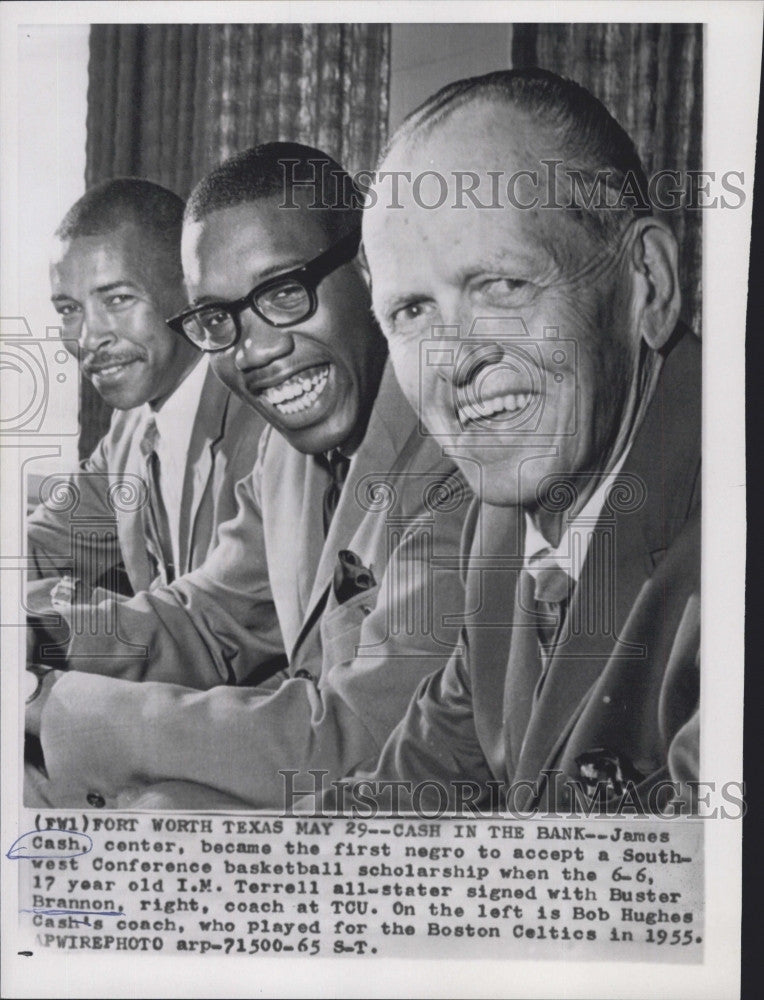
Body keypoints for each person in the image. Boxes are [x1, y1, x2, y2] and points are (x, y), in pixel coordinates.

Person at [25, 144, 471, 810]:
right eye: (218, 319)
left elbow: (359, 737)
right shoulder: (287, 452)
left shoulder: (461, 456)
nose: (254, 350)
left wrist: (54, 706)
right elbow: (208, 623)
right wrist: (36, 630)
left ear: (373, 270)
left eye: (285, 292)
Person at [325, 68, 700, 815]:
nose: (455, 359)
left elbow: (700, 910)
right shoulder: (501, 533)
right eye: (410, 311)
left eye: (502, 286)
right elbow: (406, 798)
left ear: (646, 284)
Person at [27, 179, 267, 610]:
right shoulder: (131, 430)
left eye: (117, 299)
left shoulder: (265, 425)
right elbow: (41, 548)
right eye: (69, 310)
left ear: (189, 292)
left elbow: (213, 624)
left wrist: (36, 631)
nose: (88, 337)